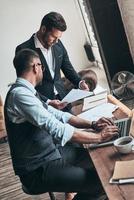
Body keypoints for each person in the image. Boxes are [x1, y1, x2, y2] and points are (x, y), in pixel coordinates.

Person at [4, 49, 118, 200]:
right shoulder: (20, 95)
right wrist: (99, 137)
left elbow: (60, 115)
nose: (42, 71)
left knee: (101, 164)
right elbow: (57, 128)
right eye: (42, 67)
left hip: (51, 154)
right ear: (36, 67)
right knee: (101, 183)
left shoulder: (28, 92)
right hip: (37, 169)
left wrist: (93, 124)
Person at [15, 11, 95, 112]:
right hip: (42, 104)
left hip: (64, 100)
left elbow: (67, 68)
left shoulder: (58, 44)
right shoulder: (23, 50)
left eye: (58, 38)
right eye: (53, 37)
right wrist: (47, 101)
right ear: (43, 29)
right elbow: (25, 85)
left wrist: (79, 82)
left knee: (75, 126)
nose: (56, 41)